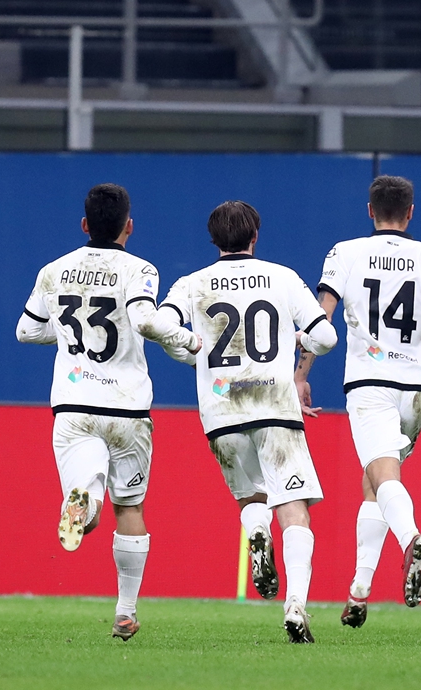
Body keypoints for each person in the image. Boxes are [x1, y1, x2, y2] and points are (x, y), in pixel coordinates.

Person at [16, 183, 201, 641]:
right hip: (127, 408)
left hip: (74, 404)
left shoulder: (53, 271)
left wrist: (66, 337)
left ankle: (85, 502)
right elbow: (143, 320)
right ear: (129, 226)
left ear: (84, 225)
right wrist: (186, 341)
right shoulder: (140, 269)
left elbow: (25, 330)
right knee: (130, 506)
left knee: (88, 485)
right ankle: (125, 610)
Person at [300, 175, 421, 628]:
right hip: (419, 388)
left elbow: (322, 321)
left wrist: (301, 373)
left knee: (383, 476)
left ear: (369, 211)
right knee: (376, 482)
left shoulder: (345, 252)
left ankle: (411, 537)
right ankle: (359, 592)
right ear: (410, 212)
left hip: (370, 383)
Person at [155, 200, 337, 643]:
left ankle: (256, 531)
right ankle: (296, 604)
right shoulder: (282, 276)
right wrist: (297, 337)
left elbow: (158, 325)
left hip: (221, 411)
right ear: (255, 236)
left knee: (252, 498)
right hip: (274, 404)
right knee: (293, 509)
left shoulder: (192, 284)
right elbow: (326, 337)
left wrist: (188, 348)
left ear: (214, 240)